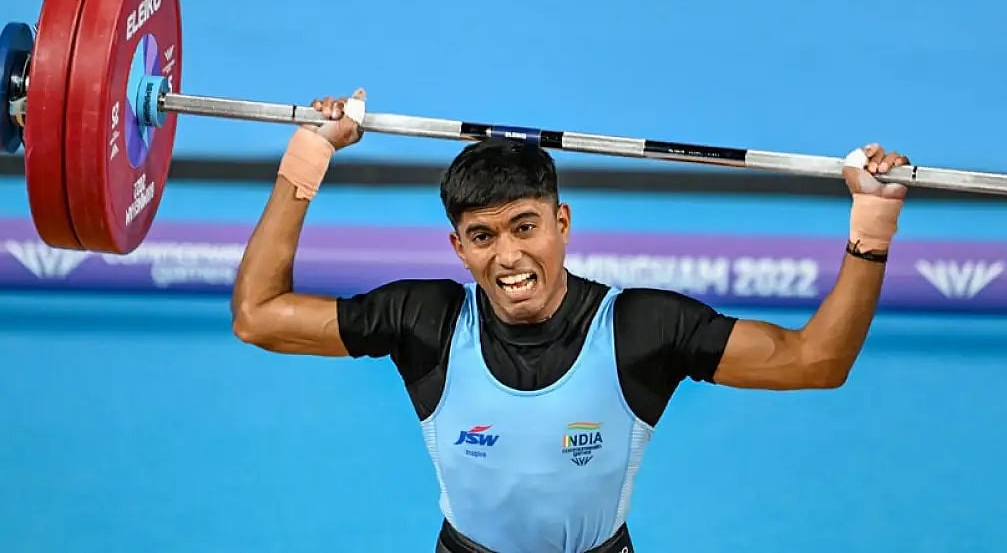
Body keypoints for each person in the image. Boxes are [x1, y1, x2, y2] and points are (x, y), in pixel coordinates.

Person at [231, 90, 911, 553]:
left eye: (525, 227)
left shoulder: (642, 327)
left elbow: (816, 360)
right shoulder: (424, 318)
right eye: (483, 236)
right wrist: (308, 156)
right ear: (458, 247)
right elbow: (257, 316)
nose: (509, 255)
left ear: (562, 223)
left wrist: (872, 222)